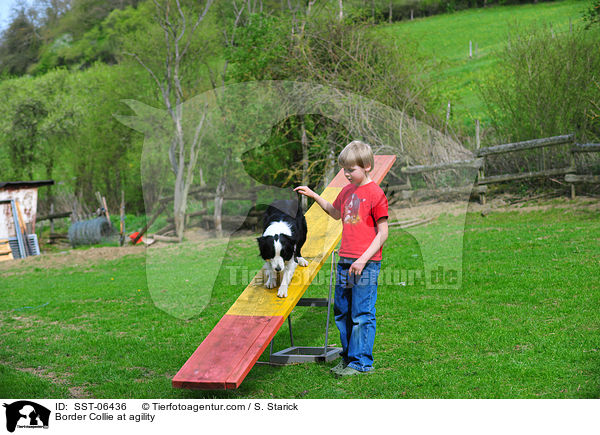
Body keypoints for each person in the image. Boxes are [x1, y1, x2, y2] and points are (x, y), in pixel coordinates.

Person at [295, 140, 389, 376]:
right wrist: (314, 195)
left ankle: (361, 363)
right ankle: (348, 358)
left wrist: (362, 259)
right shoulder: (346, 191)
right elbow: (335, 213)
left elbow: (383, 233)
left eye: (351, 170)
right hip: (345, 262)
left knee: (362, 313)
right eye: (344, 169)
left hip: (365, 265)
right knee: (343, 311)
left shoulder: (376, 194)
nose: (346, 174)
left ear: (367, 166)